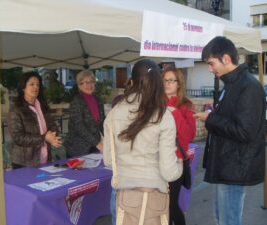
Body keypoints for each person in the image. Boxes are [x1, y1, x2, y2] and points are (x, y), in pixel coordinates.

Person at [194, 36, 266, 225]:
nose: (210, 69)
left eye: (211, 63)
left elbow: (245, 132)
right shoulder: (234, 84)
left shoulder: (249, 86)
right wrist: (213, 114)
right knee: (222, 219)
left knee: (228, 221)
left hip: (235, 168)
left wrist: (211, 118)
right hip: (226, 165)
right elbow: (231, 120)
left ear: (226, 58)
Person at [103, 59, 183, 225]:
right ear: (157, 83)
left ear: (131, 82)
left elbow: (109, 161)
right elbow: (169, 172)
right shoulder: (163, 115)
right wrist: (180, 164)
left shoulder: (113, 113)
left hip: (123, 197)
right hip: (154, 198)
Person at [162, 67, 196, 225]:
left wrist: (174, 113)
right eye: (165, 80)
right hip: (157, 160)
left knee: (171, 205)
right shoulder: (156, 103)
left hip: (176, 161)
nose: (167, 83)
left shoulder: (185, 105)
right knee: (161, 205)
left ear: (179, 84)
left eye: (171, 80)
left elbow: (189, 135)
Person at [7, 71, 62, 169]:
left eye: (37, 85)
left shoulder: (43, 106)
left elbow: (52, 125)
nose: (35, 87)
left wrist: (53, 135)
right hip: (24, 162)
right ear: (23, 87)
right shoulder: (16, 109)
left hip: (45, 159)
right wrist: (44, 137)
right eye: (31, 84)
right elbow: (18, 137)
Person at [64, 70, 105, 158]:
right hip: (77, 148)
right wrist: (97, 143)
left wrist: (111, 137)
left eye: (91, 82)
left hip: (94, 146)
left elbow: (102, 123)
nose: (89, 85)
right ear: (80, 85)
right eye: (86, 82)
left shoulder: (98, 101)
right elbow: (79, 126)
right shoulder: (76, 101)